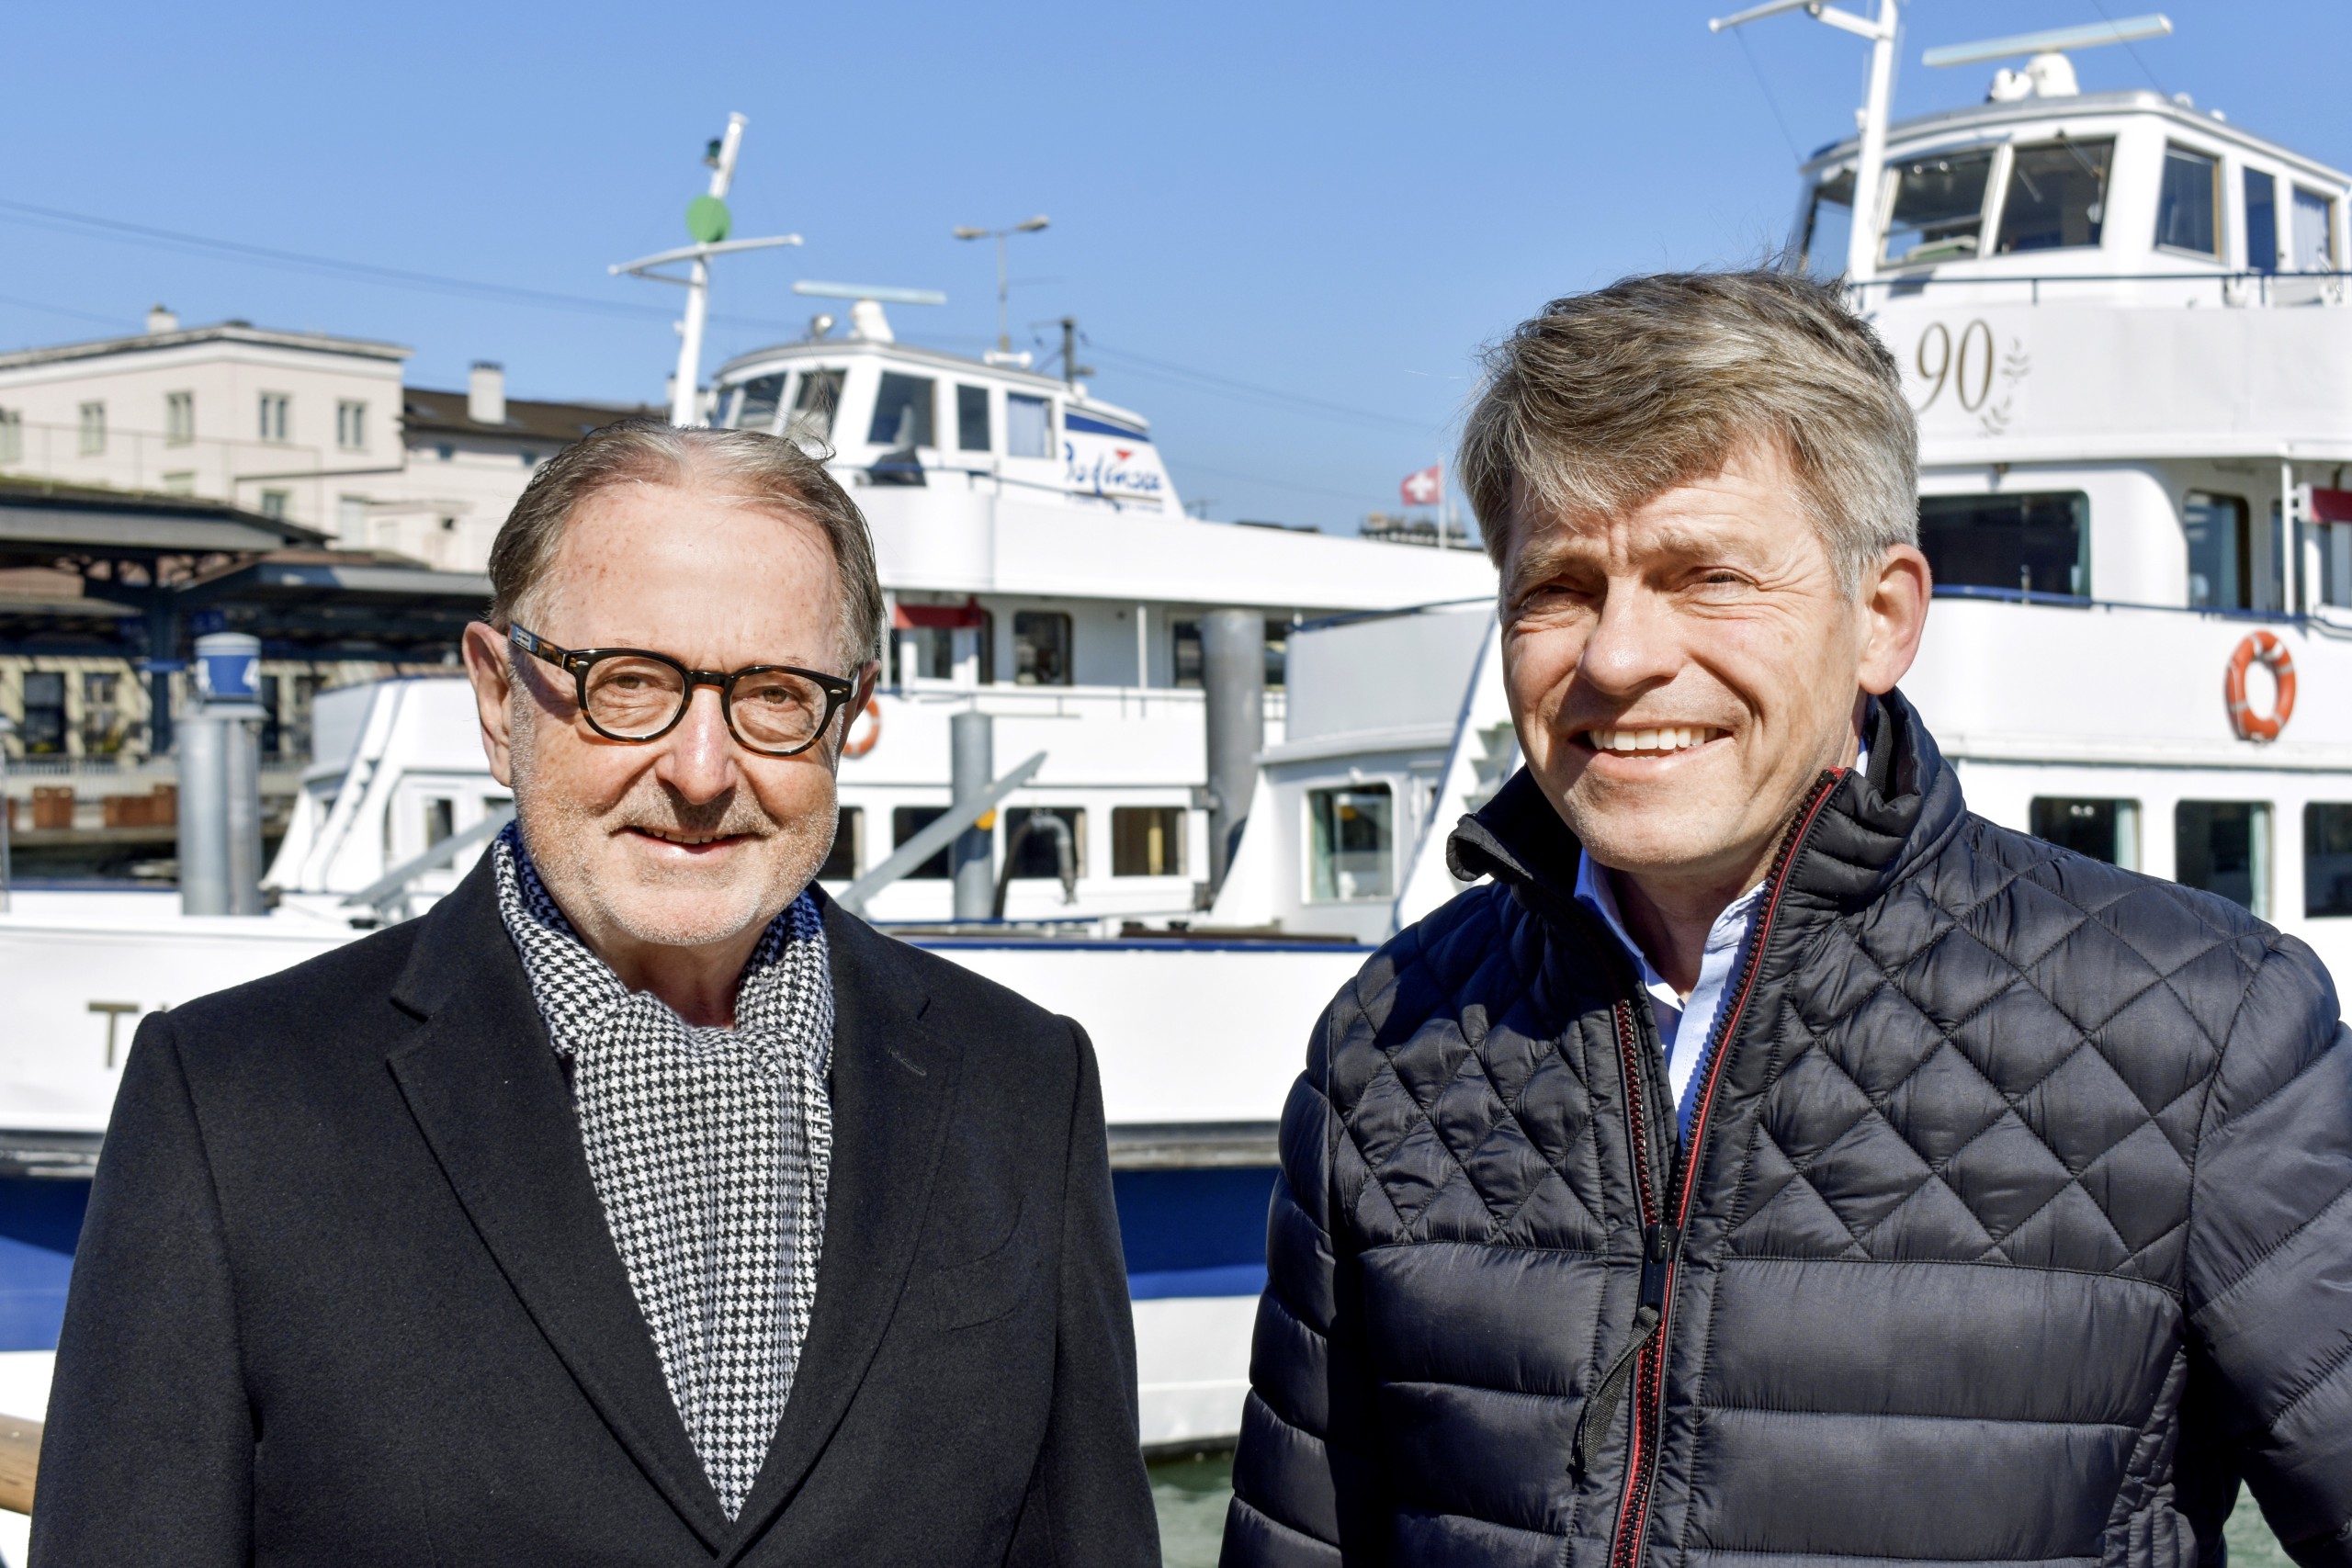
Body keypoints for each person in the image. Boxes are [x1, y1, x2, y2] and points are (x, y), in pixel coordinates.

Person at [1223, 272, 2352, 1566]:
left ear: (1882, 619)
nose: (1618, 656)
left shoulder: (2204, 1030)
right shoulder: (1391, 1040)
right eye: (1561, 585)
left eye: (1704, 575)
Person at [33, 420, 1159, 1566]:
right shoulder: (233, 1102)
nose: (702, 771)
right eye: (630, 683)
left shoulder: (1023, 1082)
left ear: (849, 712)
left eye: (774, 694)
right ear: (495, 695)